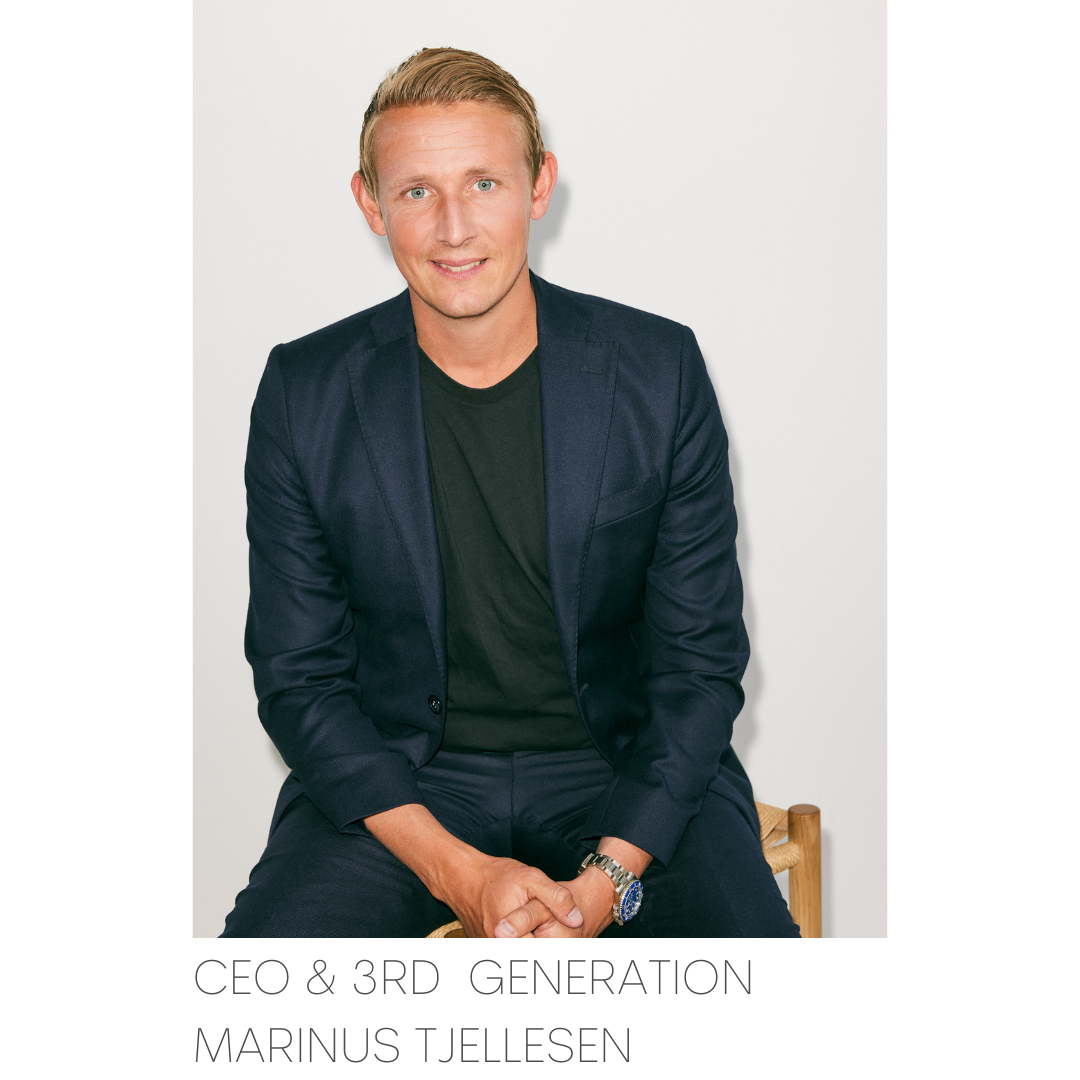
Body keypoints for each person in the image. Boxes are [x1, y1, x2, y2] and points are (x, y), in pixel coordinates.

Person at [222, 46, 799, 938]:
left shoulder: (657, 373)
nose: (454, 227)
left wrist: (608, 880)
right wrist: (457, 871)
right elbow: (299, 678)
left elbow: (699, 665)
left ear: (539, 187)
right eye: (417, 190)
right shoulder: (306, 392)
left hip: (622, 766)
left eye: (484, 183)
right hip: (403, 782)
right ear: (371, 204)